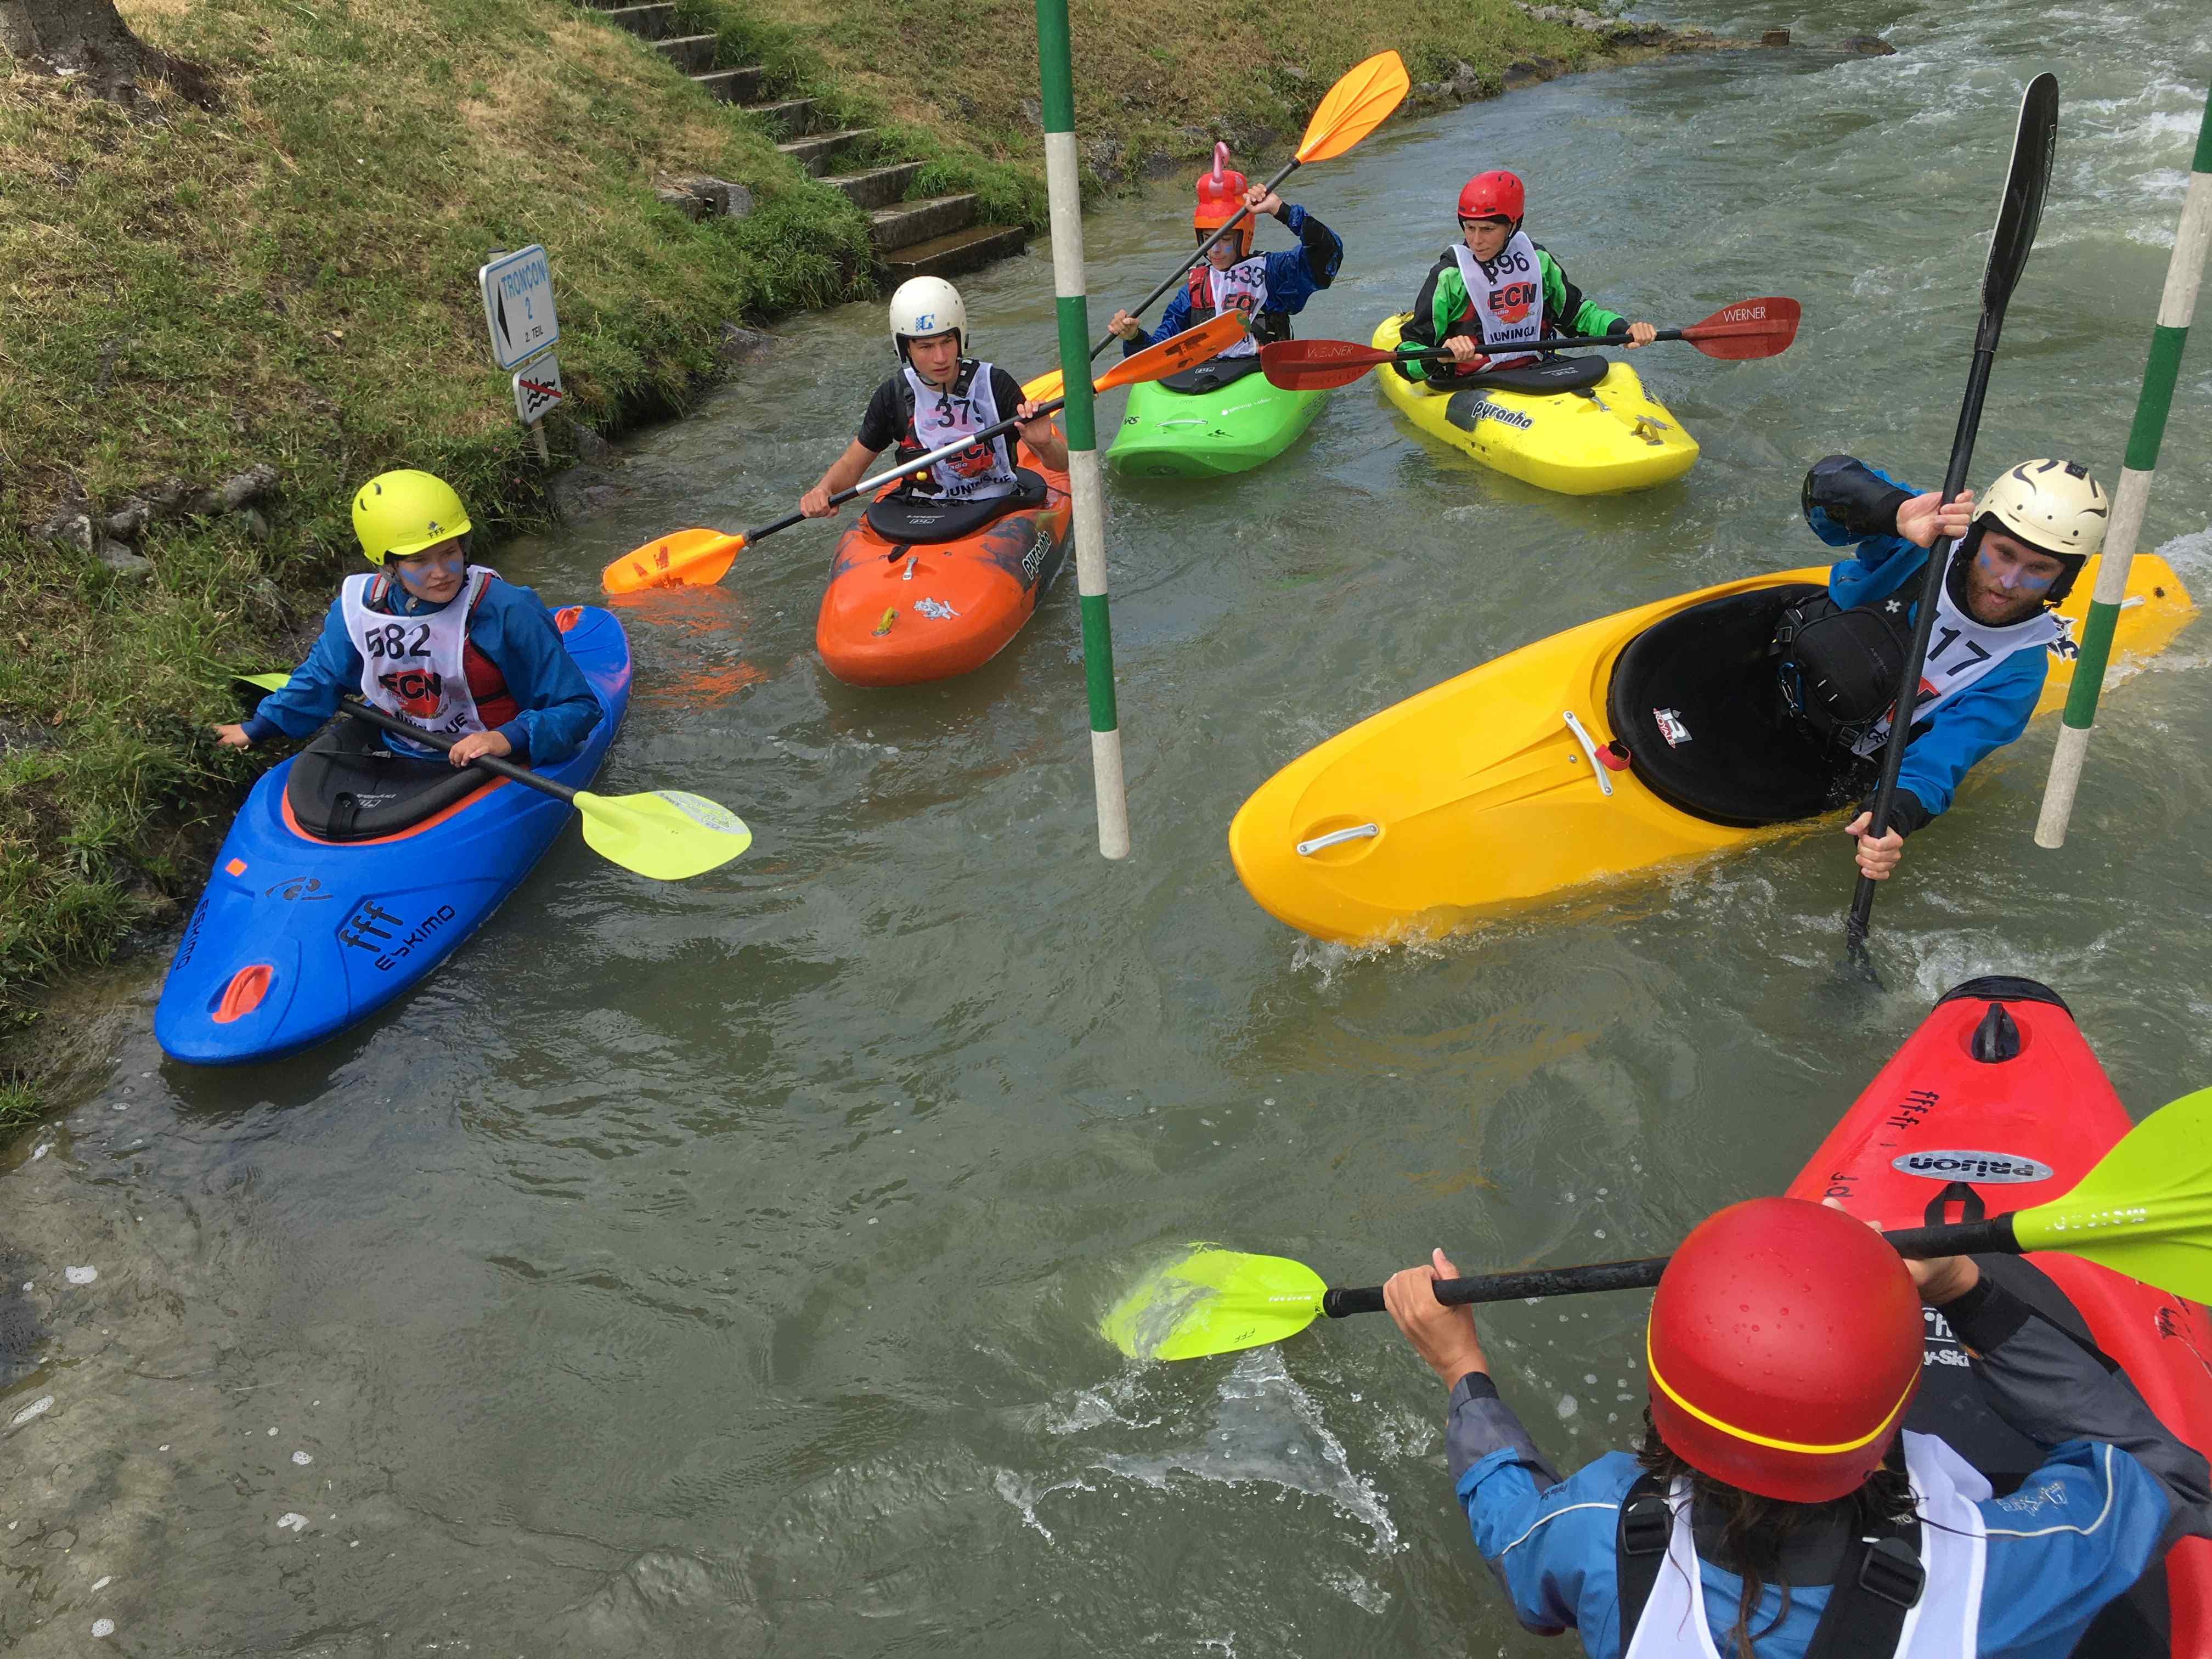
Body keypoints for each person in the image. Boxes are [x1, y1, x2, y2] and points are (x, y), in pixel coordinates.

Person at [1383, 1197, 2212, 1659]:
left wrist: (1464, 1373)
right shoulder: (2005, 1568)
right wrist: (1966, 1287)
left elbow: (1515, 1541)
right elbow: (2171, 1479)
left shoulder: (1598, 1526)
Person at [1782, 456, 2107, 883]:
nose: (2008, 582)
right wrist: (1895, 514)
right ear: (1977, 539)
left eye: (2038, 569)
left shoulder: (2019, 673)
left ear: (2063, 582)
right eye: (2003, 554)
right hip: (1785, 668)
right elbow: (1825, 484)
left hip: (1833, 751)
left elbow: (1938, 764)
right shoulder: (1929, 537)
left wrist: (1892, 816)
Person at [215, 469, 600, 769]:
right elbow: (322, 679)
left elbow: (579, 707)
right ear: (387, 566)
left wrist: (508, 738)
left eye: (450, 551)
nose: (442, 571)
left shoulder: (506, 610)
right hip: (403, 746)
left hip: (497, 754)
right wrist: (256, 729)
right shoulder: (361, 609)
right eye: (419, 560)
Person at [799, 276, 1066, 521]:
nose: (940, 358)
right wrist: (823, 490)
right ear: (905, 349)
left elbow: (1061, 464)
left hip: (997, 504)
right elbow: (851, 466)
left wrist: (1044, 445)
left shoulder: (995, 383)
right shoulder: (893, 396)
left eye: (947, 342)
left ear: (960, 338)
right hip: (928, 512)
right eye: (925, 346)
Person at [1393, 170, 1656, 384]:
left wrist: (1625, 330)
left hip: (1537, 373)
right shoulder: (1450, 276)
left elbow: (1577, 316)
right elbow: (1408, 355)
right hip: (1472, 382)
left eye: (1487, 229)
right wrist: (1440, 356)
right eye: (1469, 228)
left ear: (1513, 225)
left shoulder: (1538, 261)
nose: (1475, 240)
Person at [1105, 144, 1343, 359]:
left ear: (1244, 237)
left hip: (1261, 373)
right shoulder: (1194, 289)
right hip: (1208, 381)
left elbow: (1328, 251)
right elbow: (1159, 354)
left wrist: (1279, 210)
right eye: (1208, 240)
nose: (1215, 249)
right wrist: (1133, 337)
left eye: (1225, 239)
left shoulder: (1273, 273)